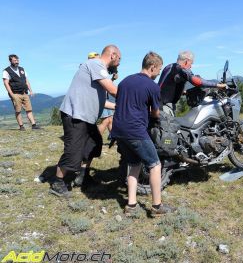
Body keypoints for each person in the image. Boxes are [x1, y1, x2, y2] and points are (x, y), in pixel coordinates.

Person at [49, 45, 121, 198]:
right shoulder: (96, 64)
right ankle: (57, 182)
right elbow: (113, 90)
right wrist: (134, 97)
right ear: (113, 55)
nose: (119, 63)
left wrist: (118, 106)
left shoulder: (97, 69)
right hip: (76, 115)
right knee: (73, 150)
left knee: (94, 144)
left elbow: (101, 101)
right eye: (119, 59)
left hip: (86, 117)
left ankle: (82, 176)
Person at [111, 51, 175, 217]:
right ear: (152, 67)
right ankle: (157, 206)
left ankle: (131, 205)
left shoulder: (125, 81)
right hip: (135, 131)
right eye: (159, 69)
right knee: (155, 165)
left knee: (134, 165)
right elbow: (155, 113)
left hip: (118, 130)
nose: (159, 73)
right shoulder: (152, 87)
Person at [158, 50, 226, 116]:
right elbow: (197, 81)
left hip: (158, 104)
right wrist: (217, 85)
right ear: (186, 61)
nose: (191, 66)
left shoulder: (171, 67)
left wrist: (183, 92)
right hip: (163, 107)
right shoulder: (180, 68)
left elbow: (168, 86)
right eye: (191, 63)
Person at [2, 54, 41, 130]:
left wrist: (31, 91)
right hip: (15, 93)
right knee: (18, 111)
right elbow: (6, 83)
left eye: (17, 60)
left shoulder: (22, 69)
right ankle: (21, 126)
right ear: (10, 61)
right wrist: (12, 94)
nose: (17, 62)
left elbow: (26, 81)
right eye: (15, 60)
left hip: (24, 93)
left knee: (29, 109)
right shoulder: (6, 71)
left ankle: (34, 125)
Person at [97, 67, 118, 138]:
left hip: (105, 99)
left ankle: (113, 138)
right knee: (105, 121)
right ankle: (94, 140)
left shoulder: (99, 71)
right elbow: (104, 86)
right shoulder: (98, 71)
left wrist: (112, 79)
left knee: (110, 120)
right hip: (101, 99)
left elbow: (105, 86)